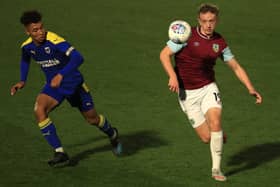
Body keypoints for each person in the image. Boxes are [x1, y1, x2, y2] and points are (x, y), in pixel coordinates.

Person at [159, 3, 262, 181]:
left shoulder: (219, 42)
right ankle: (217, 135)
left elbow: (236, 67)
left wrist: (250, 88)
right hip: (187, 94)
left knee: (215, 121)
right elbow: (164, 54)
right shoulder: (185, 34)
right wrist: (172, 76)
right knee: (207, 138)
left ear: (217, 20)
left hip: (208, 87)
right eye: (205, 21)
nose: (208, 25)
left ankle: (216, 169)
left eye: (212, 21)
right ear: (199, 20)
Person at [10, 10, 122, 167]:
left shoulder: (55, 40)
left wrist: (61, 75)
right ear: (27, 31)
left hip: (73, 83)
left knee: (92, 119)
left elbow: (78, 57)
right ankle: (60, 152)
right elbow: (25, 60)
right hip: (54, 86)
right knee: (39, 110)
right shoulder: (26, 46)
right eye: (35, 30)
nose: (41, 32)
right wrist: (22, 80)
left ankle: (112, 133)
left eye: (41, 28)